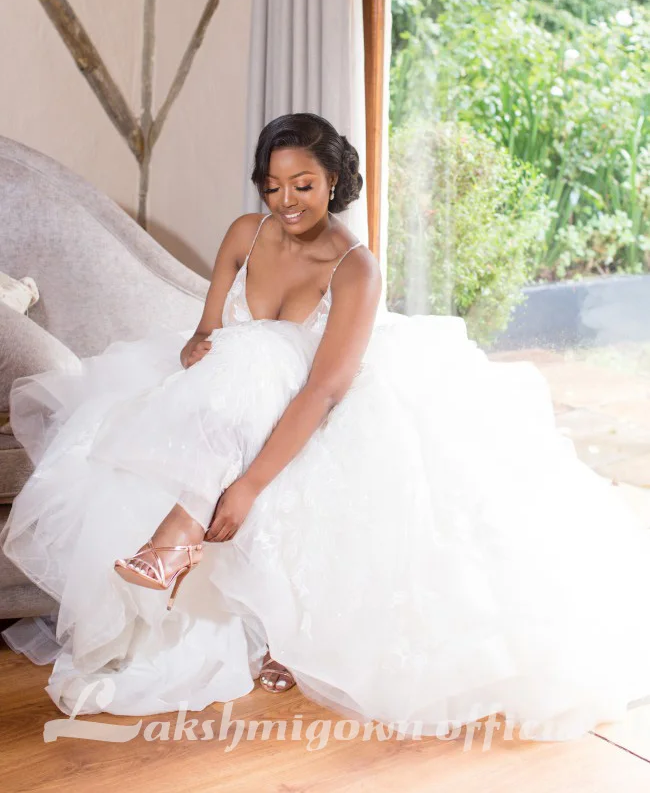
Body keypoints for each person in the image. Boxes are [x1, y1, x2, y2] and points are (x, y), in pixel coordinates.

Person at [2, 112, 650, 740]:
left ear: (333, 181)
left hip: (319, 404)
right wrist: (198, 347)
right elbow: (207, 330)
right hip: (234, 396)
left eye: (303, 184)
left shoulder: (355, 268)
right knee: (231, 364)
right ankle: (204, 567)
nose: (285, 200)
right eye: (272, 185)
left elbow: (323, 388)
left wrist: (250, 485)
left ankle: (182, 536)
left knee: (266, 356)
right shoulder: (244, 234)